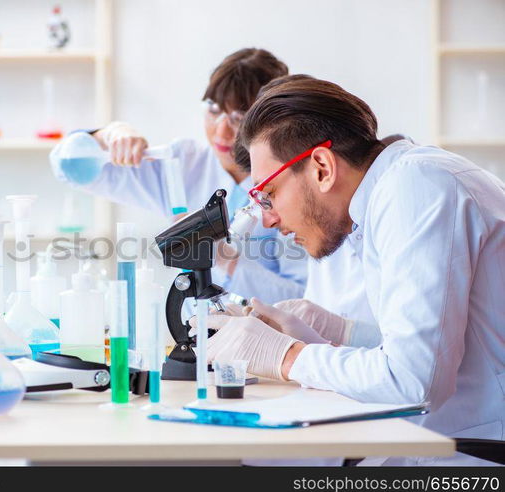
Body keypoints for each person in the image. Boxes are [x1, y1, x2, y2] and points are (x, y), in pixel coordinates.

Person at [209, 76, 505, 465]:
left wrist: (290, 357)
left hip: (474, 459)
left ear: (321, 167)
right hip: (440, 442)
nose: (268, 218)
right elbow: (448, 351)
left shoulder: (417, 188)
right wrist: (339, 334)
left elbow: (414, 383)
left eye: (270, 194)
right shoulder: (394, 189)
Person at [50, 48, 307, 305]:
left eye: (238, 119)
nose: (221, 132)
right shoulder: (183, 165)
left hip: (272, 339)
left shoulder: (296, 184)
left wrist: (222, 256)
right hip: (194, 335)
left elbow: (302, 301)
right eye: (214, 110)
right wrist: (109, 135)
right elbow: (67, 167)